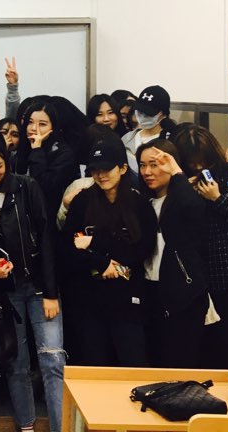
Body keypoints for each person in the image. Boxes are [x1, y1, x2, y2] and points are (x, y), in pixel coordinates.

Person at [0, 134, 63, 432]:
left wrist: (51, 292)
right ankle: (26, 426)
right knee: (16, 364)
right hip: (4, 294)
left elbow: (46, 238)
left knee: (53, 361)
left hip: (38, 287)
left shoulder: (26, 186)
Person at [173, 124, 228, 368]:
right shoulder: (180, 182)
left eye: (203, 160)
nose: (199, 167)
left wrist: (217, 199)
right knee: (198, 346)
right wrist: (185, 193)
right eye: (192, 162)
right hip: (194, 275)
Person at [62, 136, 155, 366]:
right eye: (95, 170)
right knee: (95, 362)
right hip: (90, 297)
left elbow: (143, 248)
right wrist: (101, 263)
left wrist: (94, 242)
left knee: (132, 362)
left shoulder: (139, 203)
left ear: (122, 168)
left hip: (128, 296)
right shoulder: (83, 201)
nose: (100, 175)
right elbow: (68, 246)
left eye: (106, 169)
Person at [137, 139, 209, 368]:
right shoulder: (143, 201)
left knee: (180, 360)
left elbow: (194, 210)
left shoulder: (183, 198)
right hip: (149, 287)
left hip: (182, 291)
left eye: (155, 164)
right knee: (153, 359)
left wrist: (177, 173)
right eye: (142, 165)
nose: (147, 172)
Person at [16, 99, 80, 219]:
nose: (34, 128)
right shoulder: (22, 148)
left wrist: (37, 150)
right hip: (22, 215)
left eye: (42, 124)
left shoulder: (63, 153)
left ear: (53, 127)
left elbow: (43, 185)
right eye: (30, 122)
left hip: (50, 216)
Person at [121, 85, 178, 169]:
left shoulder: (169, 140)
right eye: (140, 111)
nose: (142, 116)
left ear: (162, 113)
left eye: (148, 113)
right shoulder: (128, 138)